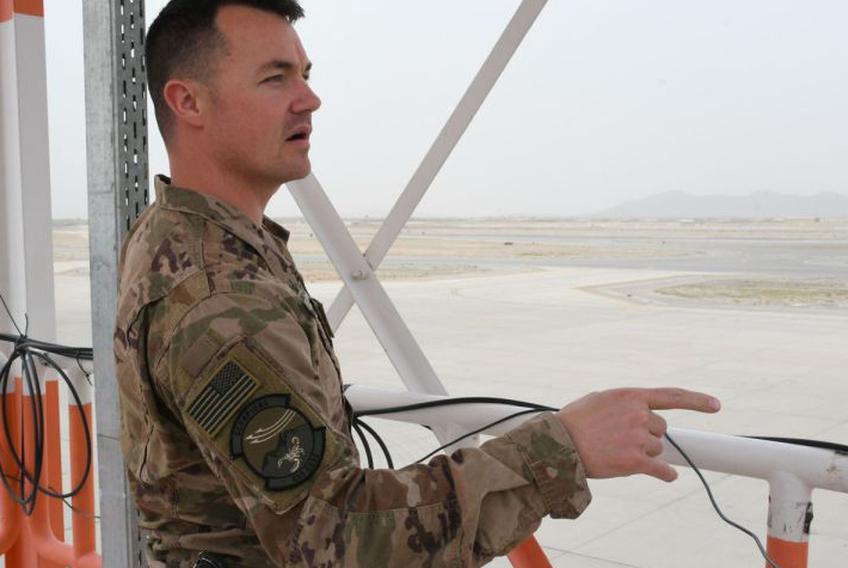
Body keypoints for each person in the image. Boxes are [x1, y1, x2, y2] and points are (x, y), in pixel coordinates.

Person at [114, 1, 721, 566]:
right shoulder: (217, 295)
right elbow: (338, 536)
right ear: (188, 102)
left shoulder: (186, 235)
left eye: (304, 73)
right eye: (276, 79)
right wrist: (564, 445)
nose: (311, 98)